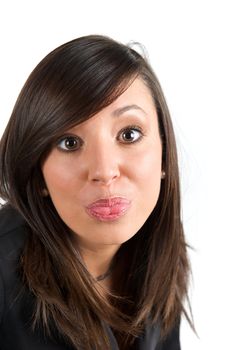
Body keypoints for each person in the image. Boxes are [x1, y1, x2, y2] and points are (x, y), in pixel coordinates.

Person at [0, 35, 192, 349]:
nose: (104, 171)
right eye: (69, 143)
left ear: (164, 154)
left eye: (129, 134)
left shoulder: (162, 243)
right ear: (36, 172)